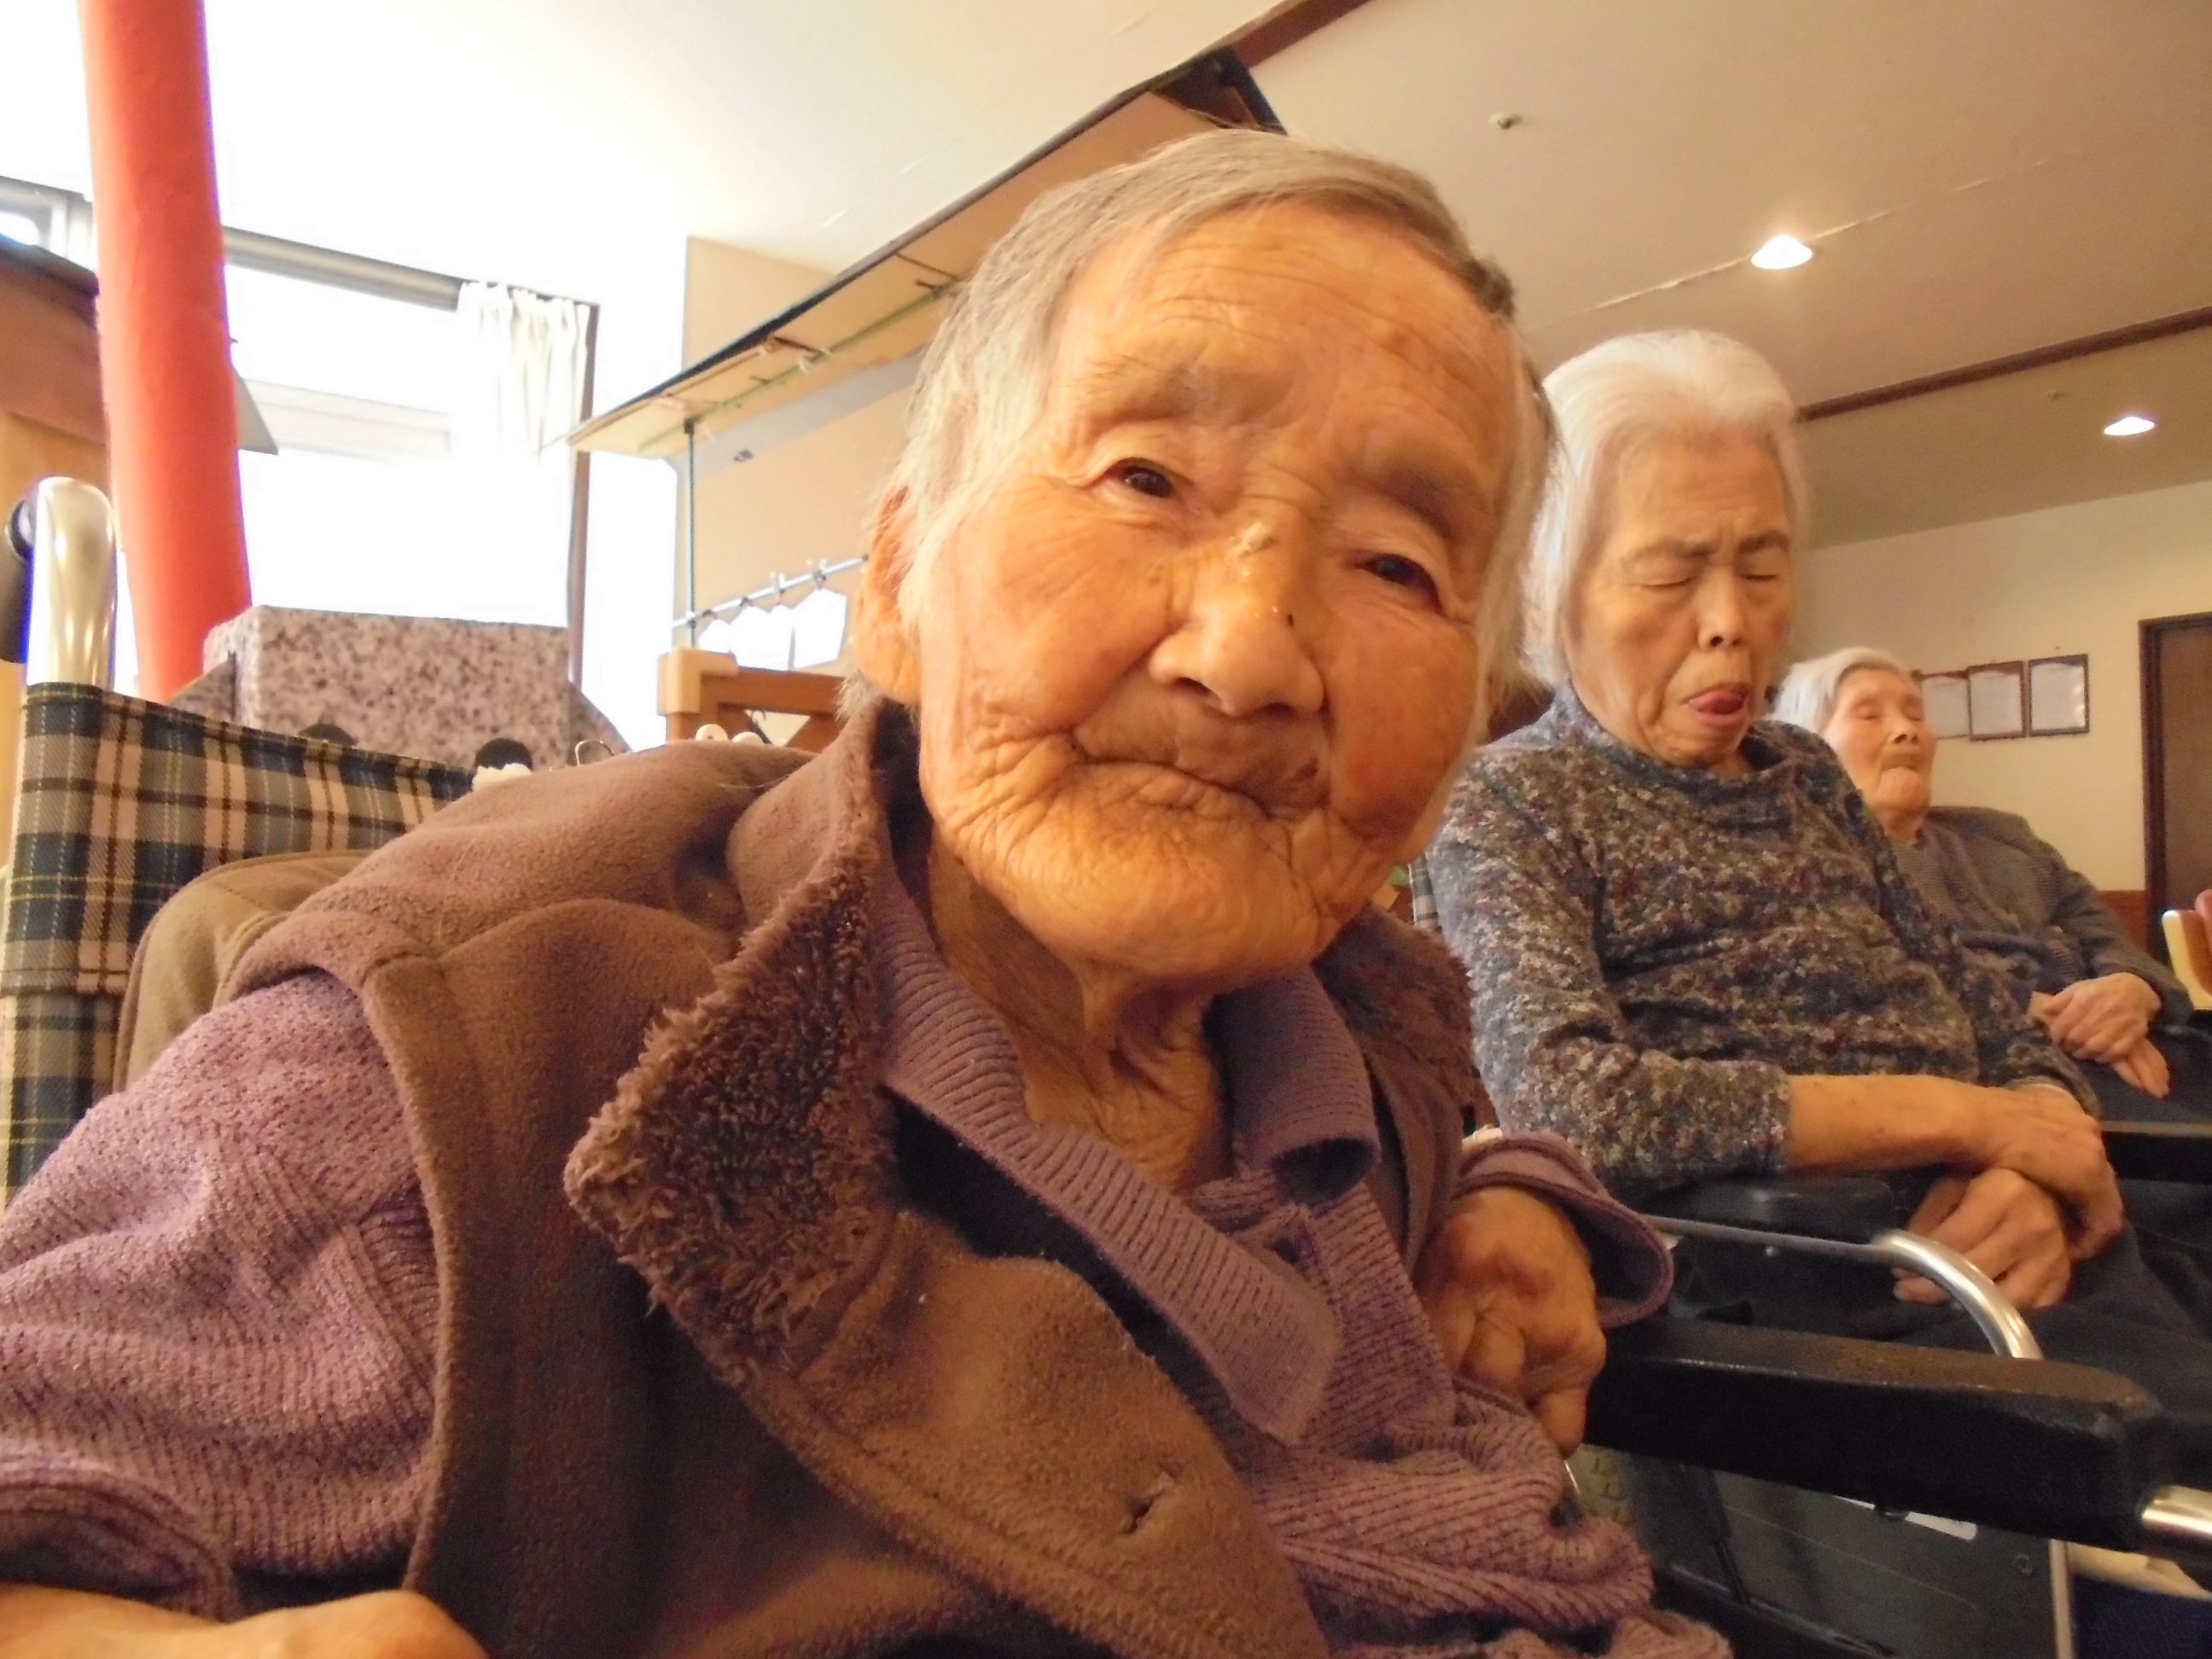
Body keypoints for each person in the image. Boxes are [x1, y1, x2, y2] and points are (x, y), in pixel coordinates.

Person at [0, 134, 1719, 1659]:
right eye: (1144, 478)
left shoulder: (1342, 1011)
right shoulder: (483, 1065)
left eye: (1399, 564)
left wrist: (1509, 1189)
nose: (1251, 649)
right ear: (896, 577)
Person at [1424, 329, 2212, 1429]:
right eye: (1671, 572)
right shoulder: (1511, 800)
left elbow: (1983, 1011)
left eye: (1762, 566)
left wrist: (2034, 1147)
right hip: (1831, 1288)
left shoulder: (1803, 771)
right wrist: (1968, 1122)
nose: (1731, 624)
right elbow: (1572, 1105)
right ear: (1552, 589)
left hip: (2008, 1249)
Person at [1775, 645, 2209, 1119]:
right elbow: (1876, 984)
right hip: (1997, 1074)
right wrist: (2065, 1020)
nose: (1906, 730)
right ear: (1805, 747)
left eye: (1915, 714)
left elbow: (2100, 930)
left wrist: (2132, 988)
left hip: (2130, 1044)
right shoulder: (1806, 860)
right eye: (1869, 715)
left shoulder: (2004, 836)